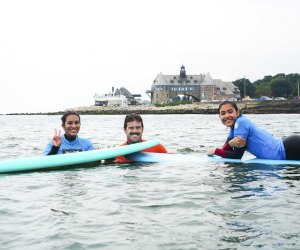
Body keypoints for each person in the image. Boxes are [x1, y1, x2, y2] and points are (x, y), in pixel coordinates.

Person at [207, 101, 300, 160]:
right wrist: (230, 144)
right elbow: (225, 149)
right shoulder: (234, 127)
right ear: (219, 116)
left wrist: (215, 151)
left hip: (288, 148)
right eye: (223, 113)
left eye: (230, 112)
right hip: (287, 147)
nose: (227, 115)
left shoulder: (241, 123)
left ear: (237, 112)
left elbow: (236, 156)